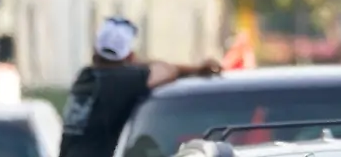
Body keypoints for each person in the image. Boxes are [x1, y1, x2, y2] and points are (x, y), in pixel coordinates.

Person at [59, 16, 222, 157]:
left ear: (95, 51)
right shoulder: (121, 81)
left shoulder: (85, 77)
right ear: (130, 56)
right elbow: (167, 71)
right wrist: (197, 69)